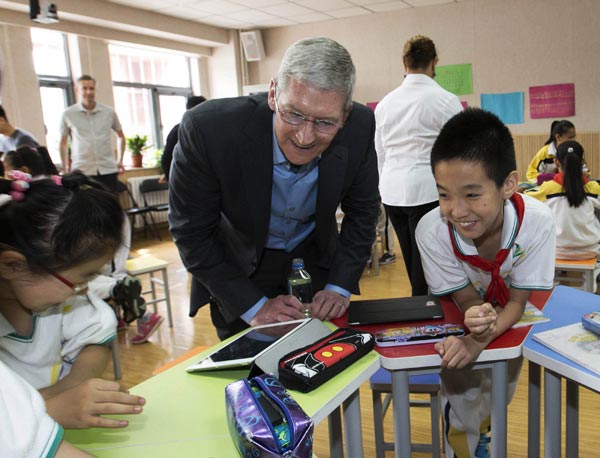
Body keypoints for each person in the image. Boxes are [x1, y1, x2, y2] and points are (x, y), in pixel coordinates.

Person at [169, 37, 380, 340]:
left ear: (344, 116)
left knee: (327, 363)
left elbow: (363, 211)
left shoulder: (360, 126)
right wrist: (254, 308)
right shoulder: (208, 130)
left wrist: (338, 286)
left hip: (314, 260)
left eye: (324, 123)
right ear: (272, 95)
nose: (305, 137)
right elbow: (191, 231)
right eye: (293, 114)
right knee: (251, 376)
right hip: (238, 267)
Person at [415, 108, 556, 457]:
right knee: (459, 382)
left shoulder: (536, 223)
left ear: (508, 184)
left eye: (472, 195)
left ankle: (484, 430)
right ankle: (460, 443)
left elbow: (518, 303)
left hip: (510, 313)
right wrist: (473, 320)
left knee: (500, 384)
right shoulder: (432, 231)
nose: (456, 210)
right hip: (458, 312)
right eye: (444, 194)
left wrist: (480, 340)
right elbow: (463, 299)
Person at [0, 172, 146, 430]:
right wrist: (50, 408)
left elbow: (94, 342)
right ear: (13, 266)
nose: (83, 291)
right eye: (82, 278)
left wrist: (73, 387)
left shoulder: (58, 298)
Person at [375, 34, 463, 295]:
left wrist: (382, 186)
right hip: (428, 190)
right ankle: (426, 313)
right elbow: (458, 151)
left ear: (404, 63)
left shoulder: (384, 104)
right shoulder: (445, 100)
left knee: (413, 260)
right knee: (432, 262)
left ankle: (420, 307)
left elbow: (379, 152)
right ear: (434, 62)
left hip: (392, 191)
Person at [527, 140, 600, 260]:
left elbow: (525, 201)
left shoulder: (548, 188)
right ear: (582, 162)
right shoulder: (593, 188)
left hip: (556, 250)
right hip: (590, 250)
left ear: (556, 162)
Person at [59, 75, 126, 192]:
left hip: (107, 169)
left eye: (92, 88)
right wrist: (64, 168)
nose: (89, 92)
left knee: (110, 206)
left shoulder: (109, 112)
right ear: (77, 90)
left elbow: (121, 136)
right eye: (84, 88)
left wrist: (120, 160)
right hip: (82, 170)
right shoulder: (68, 114)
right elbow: (63, 143)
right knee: (86, 207)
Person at [159, 95, 207, 183]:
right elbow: (166, 159)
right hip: (187, 183)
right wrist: (172, 180)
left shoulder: (208, 130)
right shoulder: (178, 130)